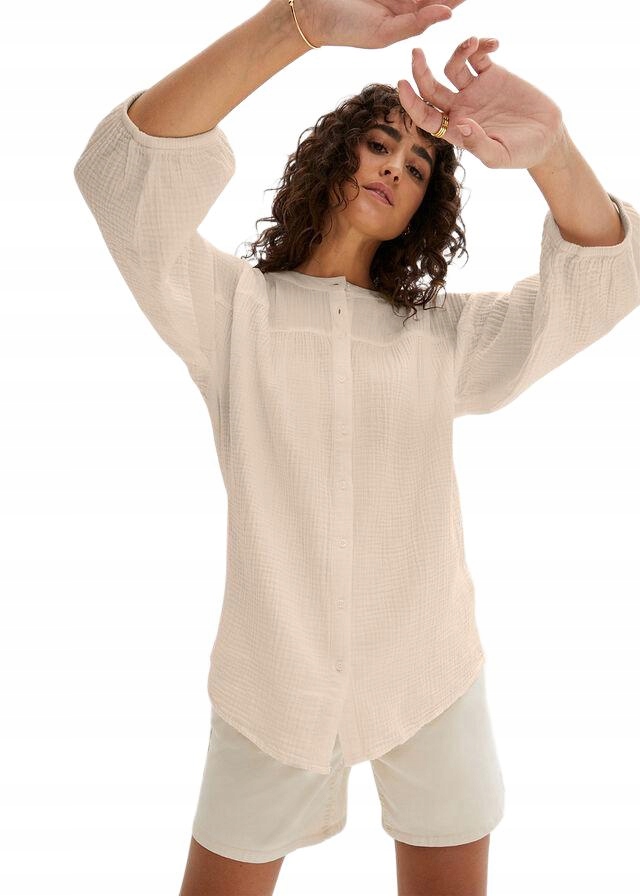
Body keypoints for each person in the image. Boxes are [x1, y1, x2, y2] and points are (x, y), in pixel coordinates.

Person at [73, 0, 639, 893]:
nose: (394, 168)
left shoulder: (440, 337)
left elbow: (602, 283)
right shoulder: (234, 313)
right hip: (272, 687)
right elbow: (125, 179)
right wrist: (296, 22)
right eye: (380, 144)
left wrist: (554, 150)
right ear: (335, 157)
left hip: (433, 677)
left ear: (425, 206)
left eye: (417, 165)